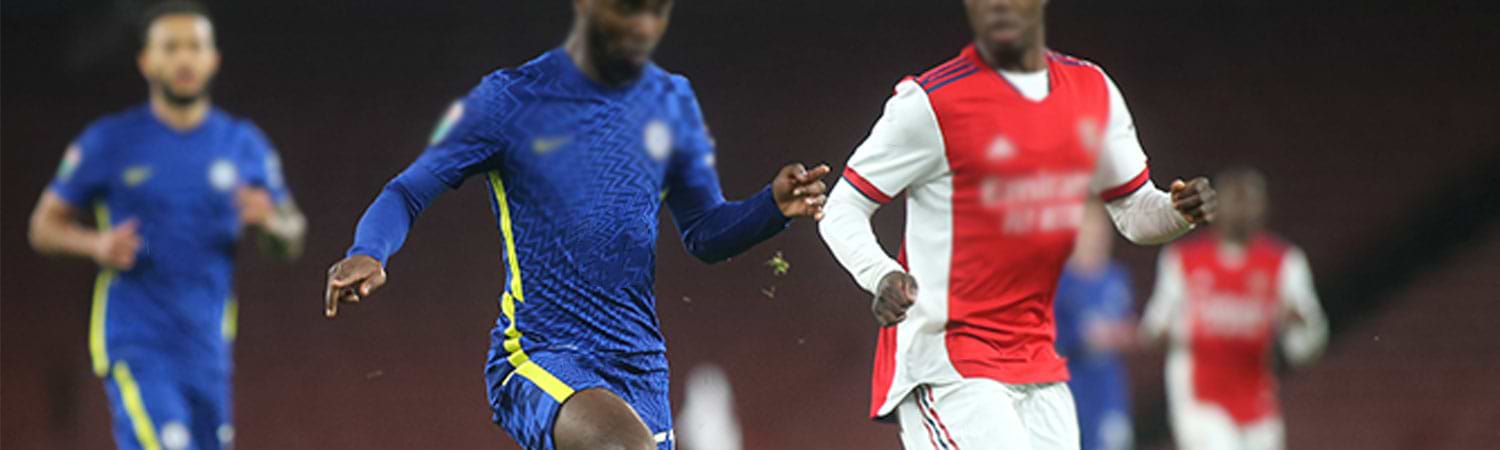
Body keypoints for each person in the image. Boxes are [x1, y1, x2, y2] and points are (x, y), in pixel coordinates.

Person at [320, 1, 828, 449]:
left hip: (641, 366)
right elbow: (408, 190)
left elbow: (704, 232)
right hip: (539, 355)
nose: (643, 23)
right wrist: (370, 249)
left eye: (655, 9)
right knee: (621, 446)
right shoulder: (508, 99)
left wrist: (771, 207)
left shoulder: (671, 101)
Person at [817, 0, 1217, 447]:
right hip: (949, 363)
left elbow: (1133, 211)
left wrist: (1178, 212)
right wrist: (880, 273)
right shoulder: (931, 102)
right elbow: (842, 207)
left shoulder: (1091, 90)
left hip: (1038, 364)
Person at [26, 2, 306, 449]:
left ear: (213, 59)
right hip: (137, 339)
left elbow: (292, 236)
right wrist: (95, 244)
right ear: (146, 61)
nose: (183, 59)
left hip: (208, 345)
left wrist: (272, 223)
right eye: (170, 47)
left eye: (194, 46)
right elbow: (43, 226)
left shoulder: (242, 144)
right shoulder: (110, 141)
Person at [1139, 167, 1327, 450]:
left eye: (1250, 201)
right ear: (1217, 205)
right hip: (1199, 398)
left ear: (1264, 207)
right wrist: (1174, 329)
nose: (1242, 209)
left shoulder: (1284, 262)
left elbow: (1305, 347)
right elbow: (1153, 328)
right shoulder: (1184, 260)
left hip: (1257, 402)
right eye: (1235, 200)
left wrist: (1298, 324)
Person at [1054, 201, 1136, 450]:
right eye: (1088, 229)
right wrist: (1083, 336)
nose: (1095, 237)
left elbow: (1127, 326)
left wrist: (1124, 334)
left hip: (1108, 389)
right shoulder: (1057, 280)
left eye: (1101, 229)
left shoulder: (1116, 277)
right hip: (1069, 386)